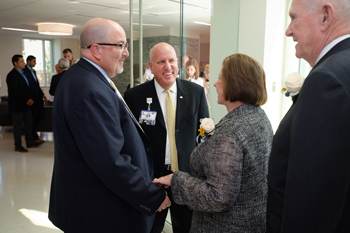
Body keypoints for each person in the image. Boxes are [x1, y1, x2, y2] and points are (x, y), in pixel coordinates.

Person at [48, 18, 170, 233]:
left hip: (87, 204)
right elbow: (110, 162)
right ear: (96, 50)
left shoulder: (82, 78)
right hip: (99, 212)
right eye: (120, 45)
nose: (126, 53)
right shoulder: (90, 91)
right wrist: (150, 196)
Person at [153, 53, 273, 233]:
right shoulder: (258, 117)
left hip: (225, 226)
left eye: (219, 78)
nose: (215, 83)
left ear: (235, 83)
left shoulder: (230, 134)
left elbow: (218, 197)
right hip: (252, 221)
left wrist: (175, 180)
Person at [267, 0, 350, 232]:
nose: (288, 30)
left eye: (294, 18)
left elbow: (311, 198)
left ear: (325, 16)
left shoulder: (327, 79)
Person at [124, 42, 209, 233]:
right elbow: (130, 142)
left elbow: (204, 139)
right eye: (161, 62)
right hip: (151, 180)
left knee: (187, 228)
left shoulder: (196, 93)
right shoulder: (134, 97)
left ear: (178, 62)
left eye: (171, 60)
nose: (167, 66)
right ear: (151, 66)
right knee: (150, 228)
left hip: (185, 178)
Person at [6, 55, 43, 152]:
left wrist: (30, 99)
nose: (24, 63)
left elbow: (28, 88)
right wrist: (26, 100)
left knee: (29, 123)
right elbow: (15, 91)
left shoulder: (24, 73)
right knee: (18, 126)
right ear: (15, 63)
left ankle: (29, 142)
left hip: (27, 105)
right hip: (17, 105)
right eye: (22, 61)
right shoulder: (12, 75)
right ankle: (18, 145)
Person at [23, 55, 47, 143]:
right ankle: (33, 136)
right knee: (32, 118)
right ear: (28, 61)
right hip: (32, 99)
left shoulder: (33, 71)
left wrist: (42, 94)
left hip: (38, 98)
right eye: (33, 61)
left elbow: (36, 85)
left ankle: (32, 133)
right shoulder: (24, 71)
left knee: (40, 114)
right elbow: (26, 86)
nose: (35, 63)